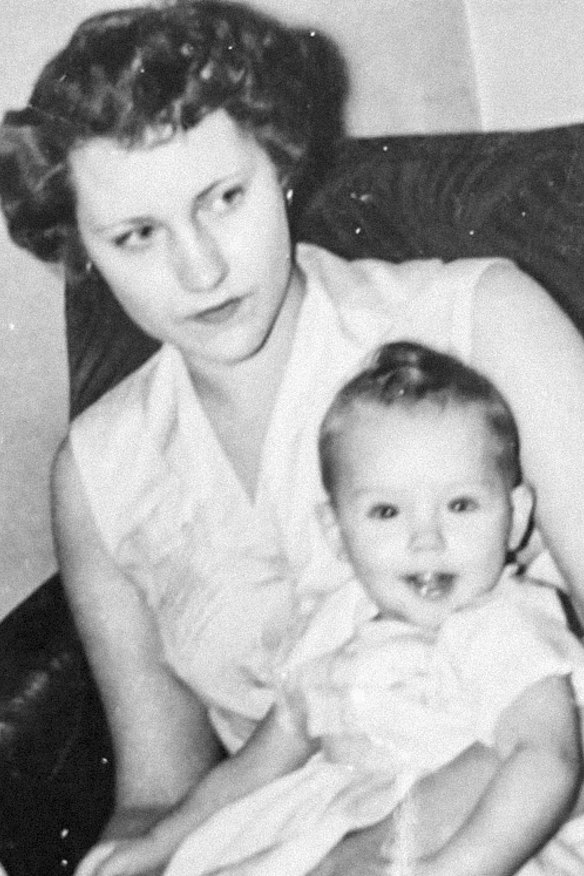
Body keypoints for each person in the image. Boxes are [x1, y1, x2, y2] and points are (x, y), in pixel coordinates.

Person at [2, 2, 584, 874]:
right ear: (79, 249)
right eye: (137, 236)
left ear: (277, 164)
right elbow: (159, 789)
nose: (200, 269)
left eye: (224, 199)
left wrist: (390, 845)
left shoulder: (484, 319)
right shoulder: (96, 473)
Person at [76, 342, 584, 876]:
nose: (427, 539)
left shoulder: (502, 625)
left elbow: (547, 761)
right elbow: (258, 764)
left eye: (460, 504)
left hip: (480, 845)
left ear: (517, 514)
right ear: (336, 534)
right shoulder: (336, 625)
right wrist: (160, 842)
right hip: (335, 828)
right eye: (386, 511)